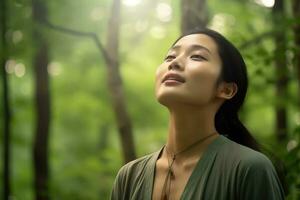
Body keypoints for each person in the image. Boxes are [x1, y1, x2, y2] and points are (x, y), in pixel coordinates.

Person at [110, 28, 285, 200]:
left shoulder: (249, 168)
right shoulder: (128, 177)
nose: (174, 63)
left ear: (226, 89)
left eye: (197, 56)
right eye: (170, 57)